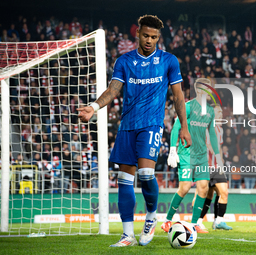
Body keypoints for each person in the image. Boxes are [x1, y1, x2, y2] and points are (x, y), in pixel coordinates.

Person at [77, 15, 191, 247]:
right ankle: (127, 235)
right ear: (137, 34)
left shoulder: (169, 61)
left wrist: (184, 128)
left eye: (154, 37)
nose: (149, 40)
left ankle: (151, 216)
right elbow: (113, 90)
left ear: (158, 38)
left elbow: (178, 96)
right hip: (127, 125)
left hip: (151, 124)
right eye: (146, 35)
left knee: (147, 175)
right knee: (124, 180)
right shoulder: (124, 61)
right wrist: (94, 107)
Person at [160, 78, 223, 234]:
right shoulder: (188, 106)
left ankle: (194, 224)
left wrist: (218, 156)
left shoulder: (210, 111)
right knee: (185, 187)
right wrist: (173, 150)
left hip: (201, 155)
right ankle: (167, 221)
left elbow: (213, 135)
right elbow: (176, 127)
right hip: (187, 152)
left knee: (203, 188)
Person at [196, 105, 233, 231]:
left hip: (217, 167)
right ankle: (198, 221)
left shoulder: (220, 129)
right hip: (206, 166)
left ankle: (219, 221)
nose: (221, 113)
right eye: (218, 111)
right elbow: (207, 144)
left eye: (221, 111)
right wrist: (216, 157)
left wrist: (220, 161)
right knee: (207, 195)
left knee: (224, 192)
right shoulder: (206, 127)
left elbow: (220, 147)